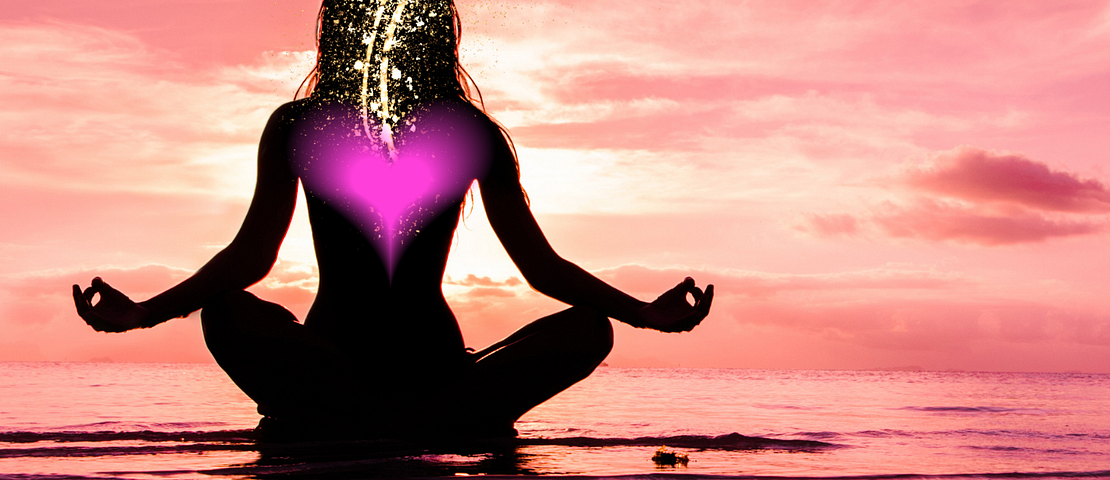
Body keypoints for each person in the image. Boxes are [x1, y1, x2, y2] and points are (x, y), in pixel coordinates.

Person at [69, 0, 712, 441]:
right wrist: (144, 312)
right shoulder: (365, 128)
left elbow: (250, 258)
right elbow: (251, 258)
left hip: (353, 368)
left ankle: (355, 417)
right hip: (413, 373)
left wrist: (641, 314)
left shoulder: (324, 126)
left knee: (586, 329)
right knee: (229, 312)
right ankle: (430, 418)